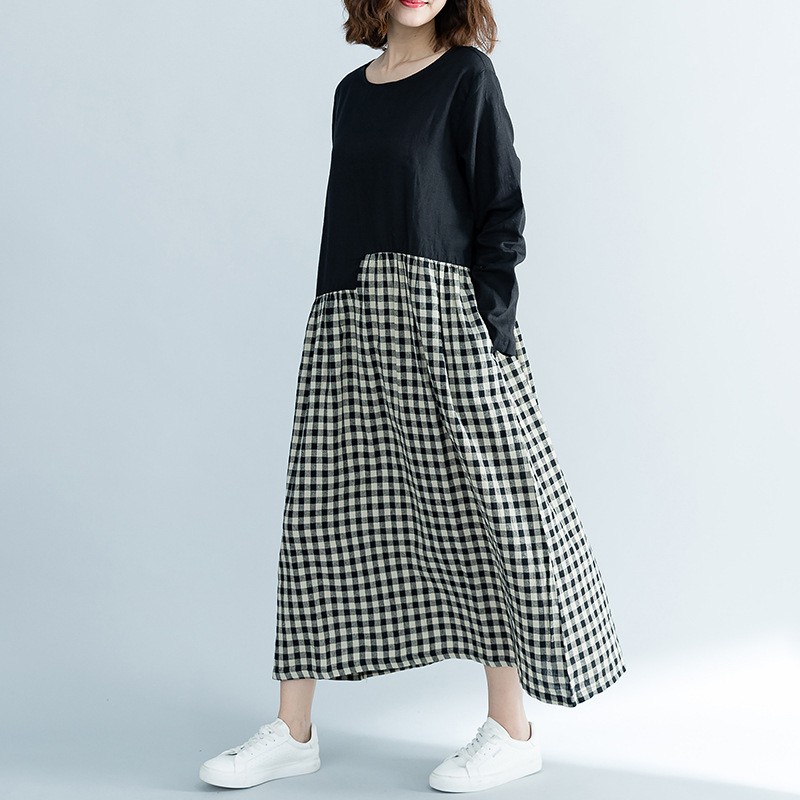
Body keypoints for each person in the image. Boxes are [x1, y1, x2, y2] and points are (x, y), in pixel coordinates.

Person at [200, 0, 626, 793]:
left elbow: (501, 210)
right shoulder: (351, 93)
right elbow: (348, 215)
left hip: (445, 320)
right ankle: (293, 730)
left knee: (482, 512)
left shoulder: (467, 77)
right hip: (351, 317)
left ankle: (512, 729)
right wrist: (334, 319)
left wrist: (487, 326)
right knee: (321, 516)